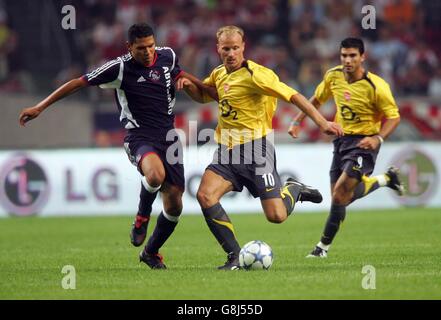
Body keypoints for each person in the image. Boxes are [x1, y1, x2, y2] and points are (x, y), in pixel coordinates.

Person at [19, 23, 189, 269]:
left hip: (170, 138)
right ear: (129, 47)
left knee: (174, 205)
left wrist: (190, 82)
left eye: (151, 45)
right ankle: (142, 216)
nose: (148, 52)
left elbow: (179, 74)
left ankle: (151, 252)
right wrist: (40, 107)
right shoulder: (119, 68)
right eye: (141, 48)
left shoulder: (168, 56)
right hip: (139, 136)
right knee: (155, 174)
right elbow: (78, 83)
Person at [177, 25, 344, 270]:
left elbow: (294, 96)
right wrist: (188, 85)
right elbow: (205, 95)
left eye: (235, 48)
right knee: (205, 195)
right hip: (226, 150)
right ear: (218, 49)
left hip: (257, 150)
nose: (231, 53)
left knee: (276, 216)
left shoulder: (257, 75)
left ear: (243, 47)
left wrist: (322, 122)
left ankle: (293, 189)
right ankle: (234, 256)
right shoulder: (219, 73)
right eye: (226, 49)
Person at [289, 37, 405, 258]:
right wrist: (297, 121)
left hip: (365, 143)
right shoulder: (333, 76)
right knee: (341, 197)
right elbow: (316, 100)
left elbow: (394, 117)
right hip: (342, 140)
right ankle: (386, 179)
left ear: (363, 57)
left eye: (353, 56)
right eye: (344, 55)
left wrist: (378, 139)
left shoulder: (376, 86)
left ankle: (321, 249)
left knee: (341, 192)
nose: (348, 60)